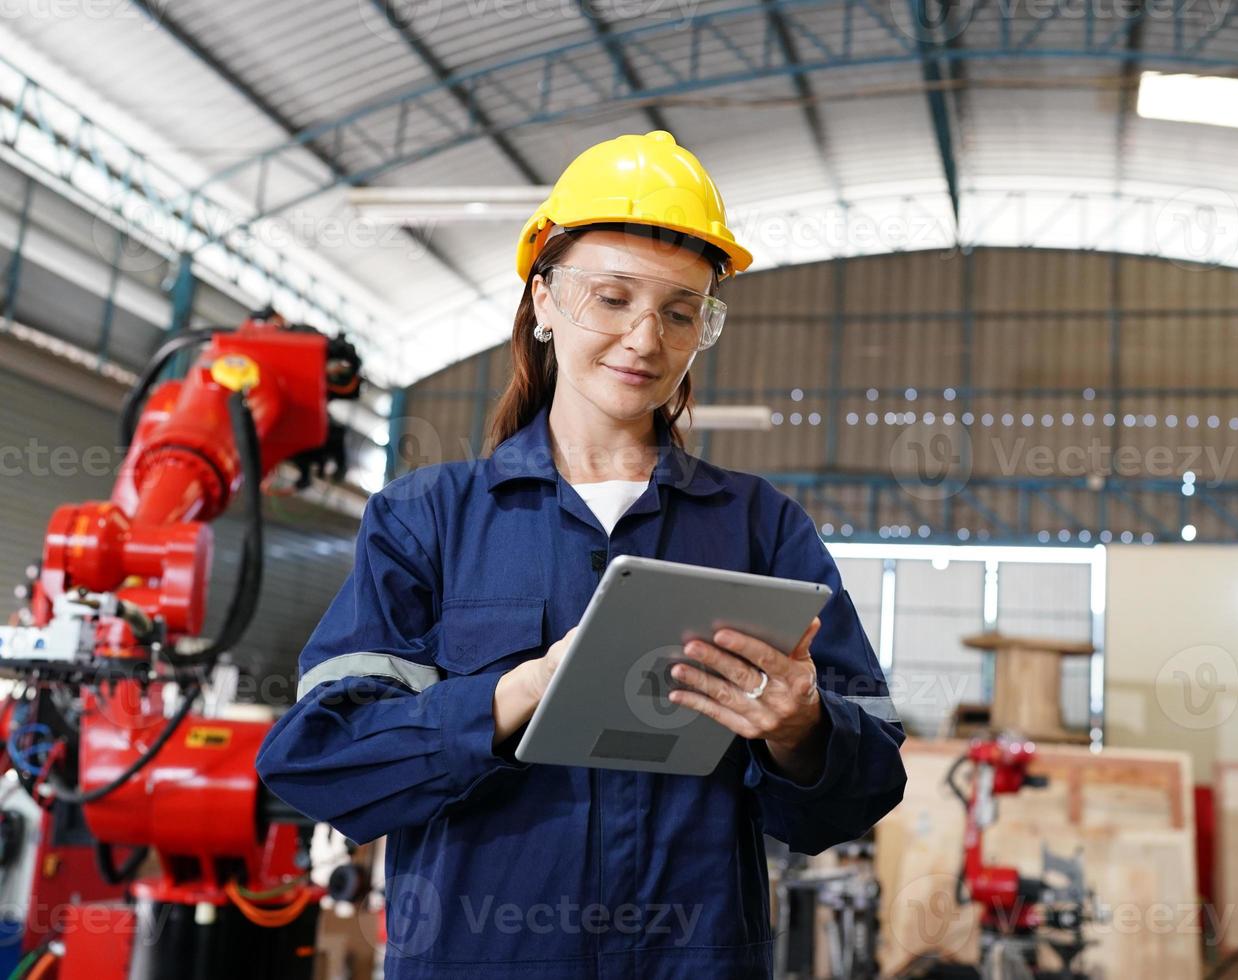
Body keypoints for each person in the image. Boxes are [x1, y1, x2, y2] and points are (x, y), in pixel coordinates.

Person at [256, 130, 906, 979]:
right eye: (611, 298)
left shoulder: (761, 528)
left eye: (681, 312)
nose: (645, 339)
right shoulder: (426, 520)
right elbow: (320, 760)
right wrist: (517, 692)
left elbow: (863, 789)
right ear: (543, 301)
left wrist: (802, 730)